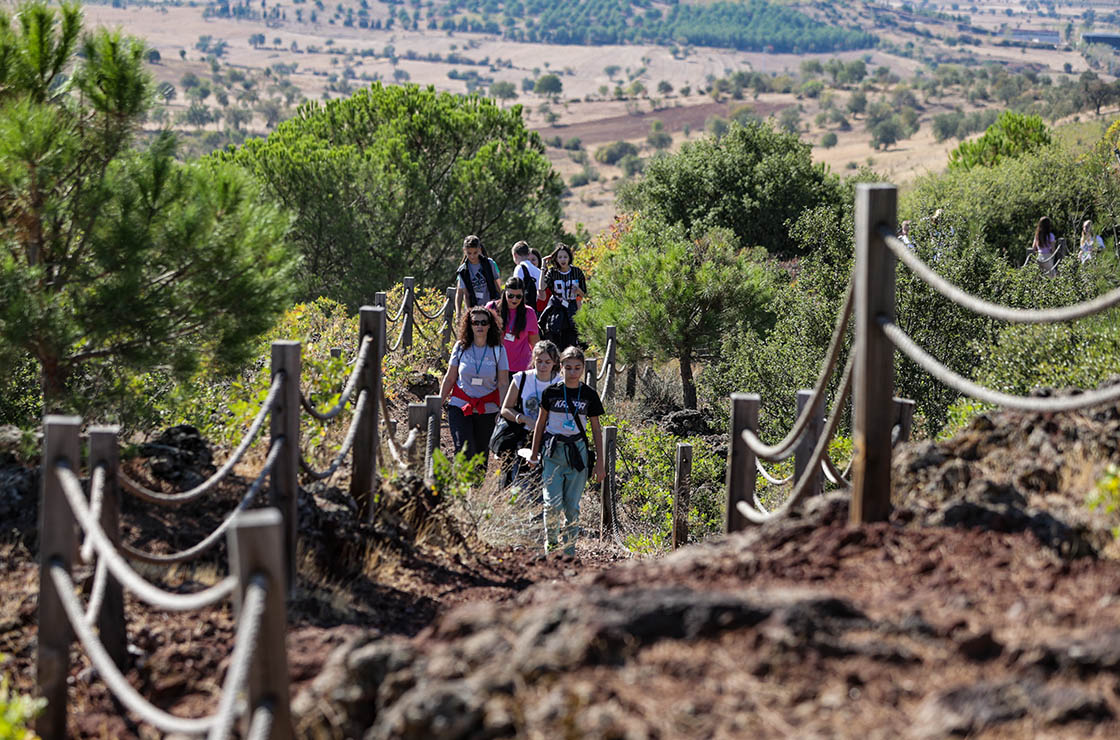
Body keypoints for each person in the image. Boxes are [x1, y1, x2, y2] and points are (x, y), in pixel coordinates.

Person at [528, 346, 605, 556]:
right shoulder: (551, 393)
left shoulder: (589, 395)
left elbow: (596, 429)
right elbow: (540, 423)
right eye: (568, 367)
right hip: (553, 452)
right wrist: (534, 454)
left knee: (572, 507)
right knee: (551, 504)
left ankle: (569, 552)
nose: (573, 372)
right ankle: (551, 544)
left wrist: (600, 462)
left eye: (577, 368)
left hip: (578, 453)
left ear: (583, 369)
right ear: (560, 367)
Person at [439, 306, 509, 467]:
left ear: (490, 325)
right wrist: (438, 402)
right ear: (469, 325)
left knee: (480, 455)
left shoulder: (498, 350)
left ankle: (476, 490)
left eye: (484, 322)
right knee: (463, 449)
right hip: (460, 405)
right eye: (475, 322)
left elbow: (503, 383)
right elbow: (450, 378)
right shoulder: (461, 347)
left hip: (488, 408)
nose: (479, 326)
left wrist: (503, 411)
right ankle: (461, 489)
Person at [497, 340, 560, 489]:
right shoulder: (522, 378)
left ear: (554, 363)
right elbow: (505, 409)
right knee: (518, 481)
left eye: (547, 362)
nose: (543, 366)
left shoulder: (560, 382)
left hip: (550, 438)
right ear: (533, 360)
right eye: (539, 361)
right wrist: (523, 419)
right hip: (523, 436)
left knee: (544, 481)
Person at [485, 278, 539, 374]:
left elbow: (534, 342)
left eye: (518, 296)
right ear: (504, 293)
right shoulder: (491, 308)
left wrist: (537, 363)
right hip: (495, 365)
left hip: (521, 367)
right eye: (510, 296)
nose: (514, 300)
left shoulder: (529, 312)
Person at [455, 234, 502, 316]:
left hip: (492, 305)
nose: (472, 256)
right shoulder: (462, 271)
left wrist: (501, 301)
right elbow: (466, 295)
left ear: (479, 249)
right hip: (475, 308)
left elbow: (496, 284)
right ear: (464, 251)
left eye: (475, 253)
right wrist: (467, 312)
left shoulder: (489, 263)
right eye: (469, 253)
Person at [540, 243, 587, 314]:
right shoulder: (553, 272)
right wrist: (543, 267)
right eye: (560, 257)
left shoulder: (577, 272)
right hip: (557, 310)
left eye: (565, 257)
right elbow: (541, 287)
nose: (563, 260)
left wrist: (578, 291)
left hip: (573, 308)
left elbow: (584, 294)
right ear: (556, 259)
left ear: (569, 258)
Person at [511, 241, 541, 310]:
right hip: (535, 307)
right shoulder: (538, 271)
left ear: (515, 255)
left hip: (523, 307)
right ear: (528, 254)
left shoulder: (519, 268)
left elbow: (516, 288)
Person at [529, 247, 547, 313]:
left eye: (533, 260)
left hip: (544, 311)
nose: (530, 263)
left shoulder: (546, 275)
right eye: (528, 260)